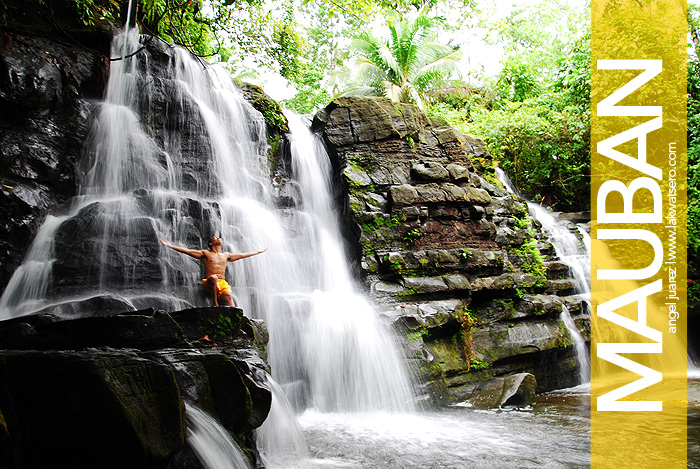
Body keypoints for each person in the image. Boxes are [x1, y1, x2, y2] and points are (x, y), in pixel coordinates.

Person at [159, 236, 267, 307]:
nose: (218, 238)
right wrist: (170, 246)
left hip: (222, 282)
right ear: (211, 243)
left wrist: (258, 252)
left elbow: (242, 255)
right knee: (214, 278)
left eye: (219, 237)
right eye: (215, 238)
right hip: (209, 281)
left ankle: (236, 318)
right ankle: (215, 304)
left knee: (229, 297)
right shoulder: (206, 253)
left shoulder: (226, 255)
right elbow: (189, 251)